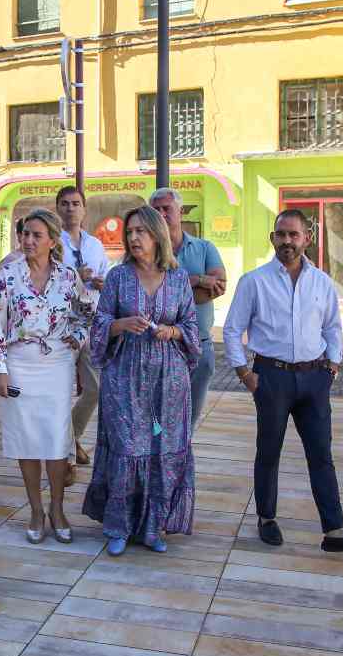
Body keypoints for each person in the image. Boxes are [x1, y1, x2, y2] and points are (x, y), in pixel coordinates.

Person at [223, 210, 343, 553]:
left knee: (321, 454)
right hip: (271, 378)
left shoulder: (321, 282)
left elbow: (332, 328)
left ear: (308, 238)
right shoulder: (254, 281)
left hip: (314, 379)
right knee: (268, 452)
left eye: (294, 235)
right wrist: (245, 374)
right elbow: (232, 330)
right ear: (272, 238)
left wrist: (332, 367)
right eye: (281, 235)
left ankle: (334, 532)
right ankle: (266, 518)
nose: (287, 241)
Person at [82, 206, 200, 556]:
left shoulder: (178, 279)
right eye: (130, 232)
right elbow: (100, 323)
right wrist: (120, 324)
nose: (133, 238)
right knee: (127, 447)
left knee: (161, 448)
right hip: (125, 379)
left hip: (168, 382)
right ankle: (119, 525)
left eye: (141, 232)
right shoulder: (118, 278)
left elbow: (192, 326)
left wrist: (173, 330)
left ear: (156, 235)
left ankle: (153, 526)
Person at [0, 210, 89, 544]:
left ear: (52, 241)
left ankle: (58, 508)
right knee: (27, 439)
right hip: (19, 361)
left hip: (57, 362)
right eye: (24, 234)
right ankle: (35, 509)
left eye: (36, 235)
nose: (28, 240)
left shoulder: (67, 275)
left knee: (57, 440)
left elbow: (88, 310)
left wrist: (79, 334)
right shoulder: (8, 274)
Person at [149, 188, 227, 422]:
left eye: (166, 208)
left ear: (180, 212)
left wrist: (173, 287)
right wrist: (197, 280)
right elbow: (151, 296)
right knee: (158, 419)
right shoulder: (145, 254)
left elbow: (218, 287)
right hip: (158, 348)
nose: (161, 214)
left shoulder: (205, 248)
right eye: (156, 210)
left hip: (199, 346)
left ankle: (182, 459)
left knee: (189, 419)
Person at [56, 185, 109, 469]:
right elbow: (45, 278)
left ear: (84, 209)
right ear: (58, 209)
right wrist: (75, 275)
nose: (70, 208)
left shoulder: (95, 245)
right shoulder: (53, 243)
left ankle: (71, 436)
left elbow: (107, 275)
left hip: (92, 321)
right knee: (62, 389)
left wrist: (102, 282)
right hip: (62, 325)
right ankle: (64, 450)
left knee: (96, 388)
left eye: (76, 203)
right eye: (64, 203)